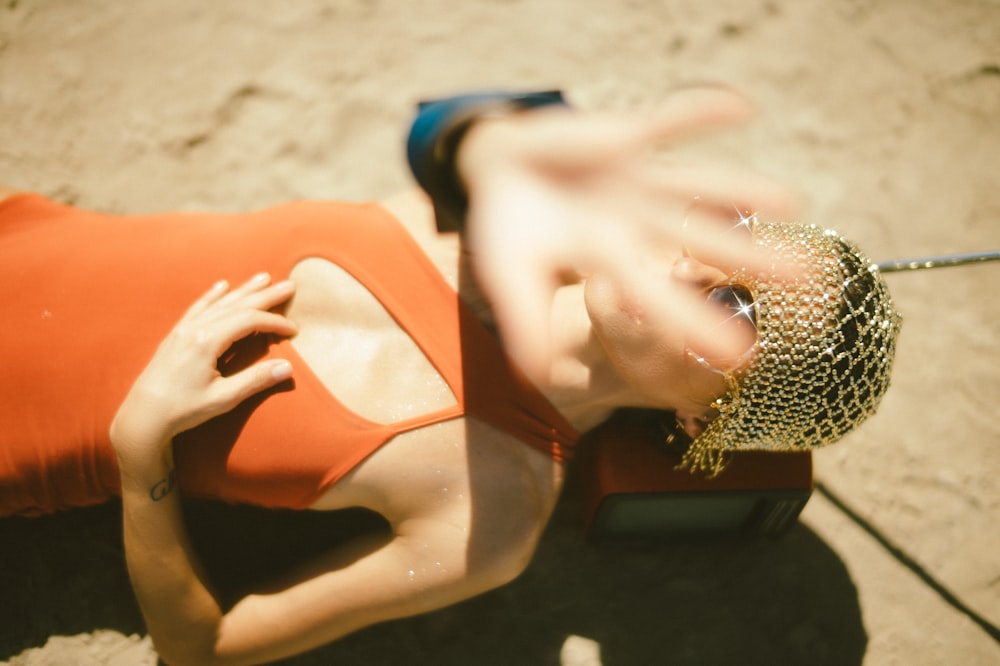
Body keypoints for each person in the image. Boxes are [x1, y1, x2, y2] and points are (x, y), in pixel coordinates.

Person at [0, 86, 900, 665]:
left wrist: (140, 456)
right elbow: (463, 134)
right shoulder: (532, 225)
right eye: (732, 235)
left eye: (737, 312)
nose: (697, 269)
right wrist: (480, 132)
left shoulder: (490, 518)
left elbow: (203, 649)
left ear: (707, 418)